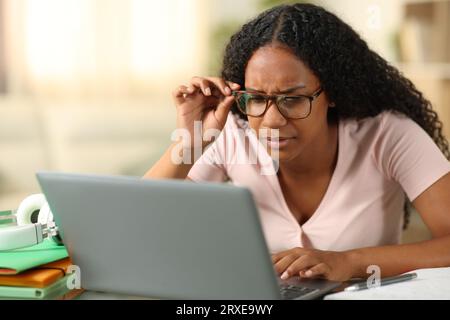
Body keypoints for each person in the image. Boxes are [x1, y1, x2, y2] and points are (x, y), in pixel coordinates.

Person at [144, 3, 450, 282]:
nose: (273, 120)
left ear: (331, 93)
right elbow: (139, 225)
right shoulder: (232, 135)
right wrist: (191, 142)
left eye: (292, 99)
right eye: (257, 99)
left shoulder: (388, 135)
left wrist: (350, 261)